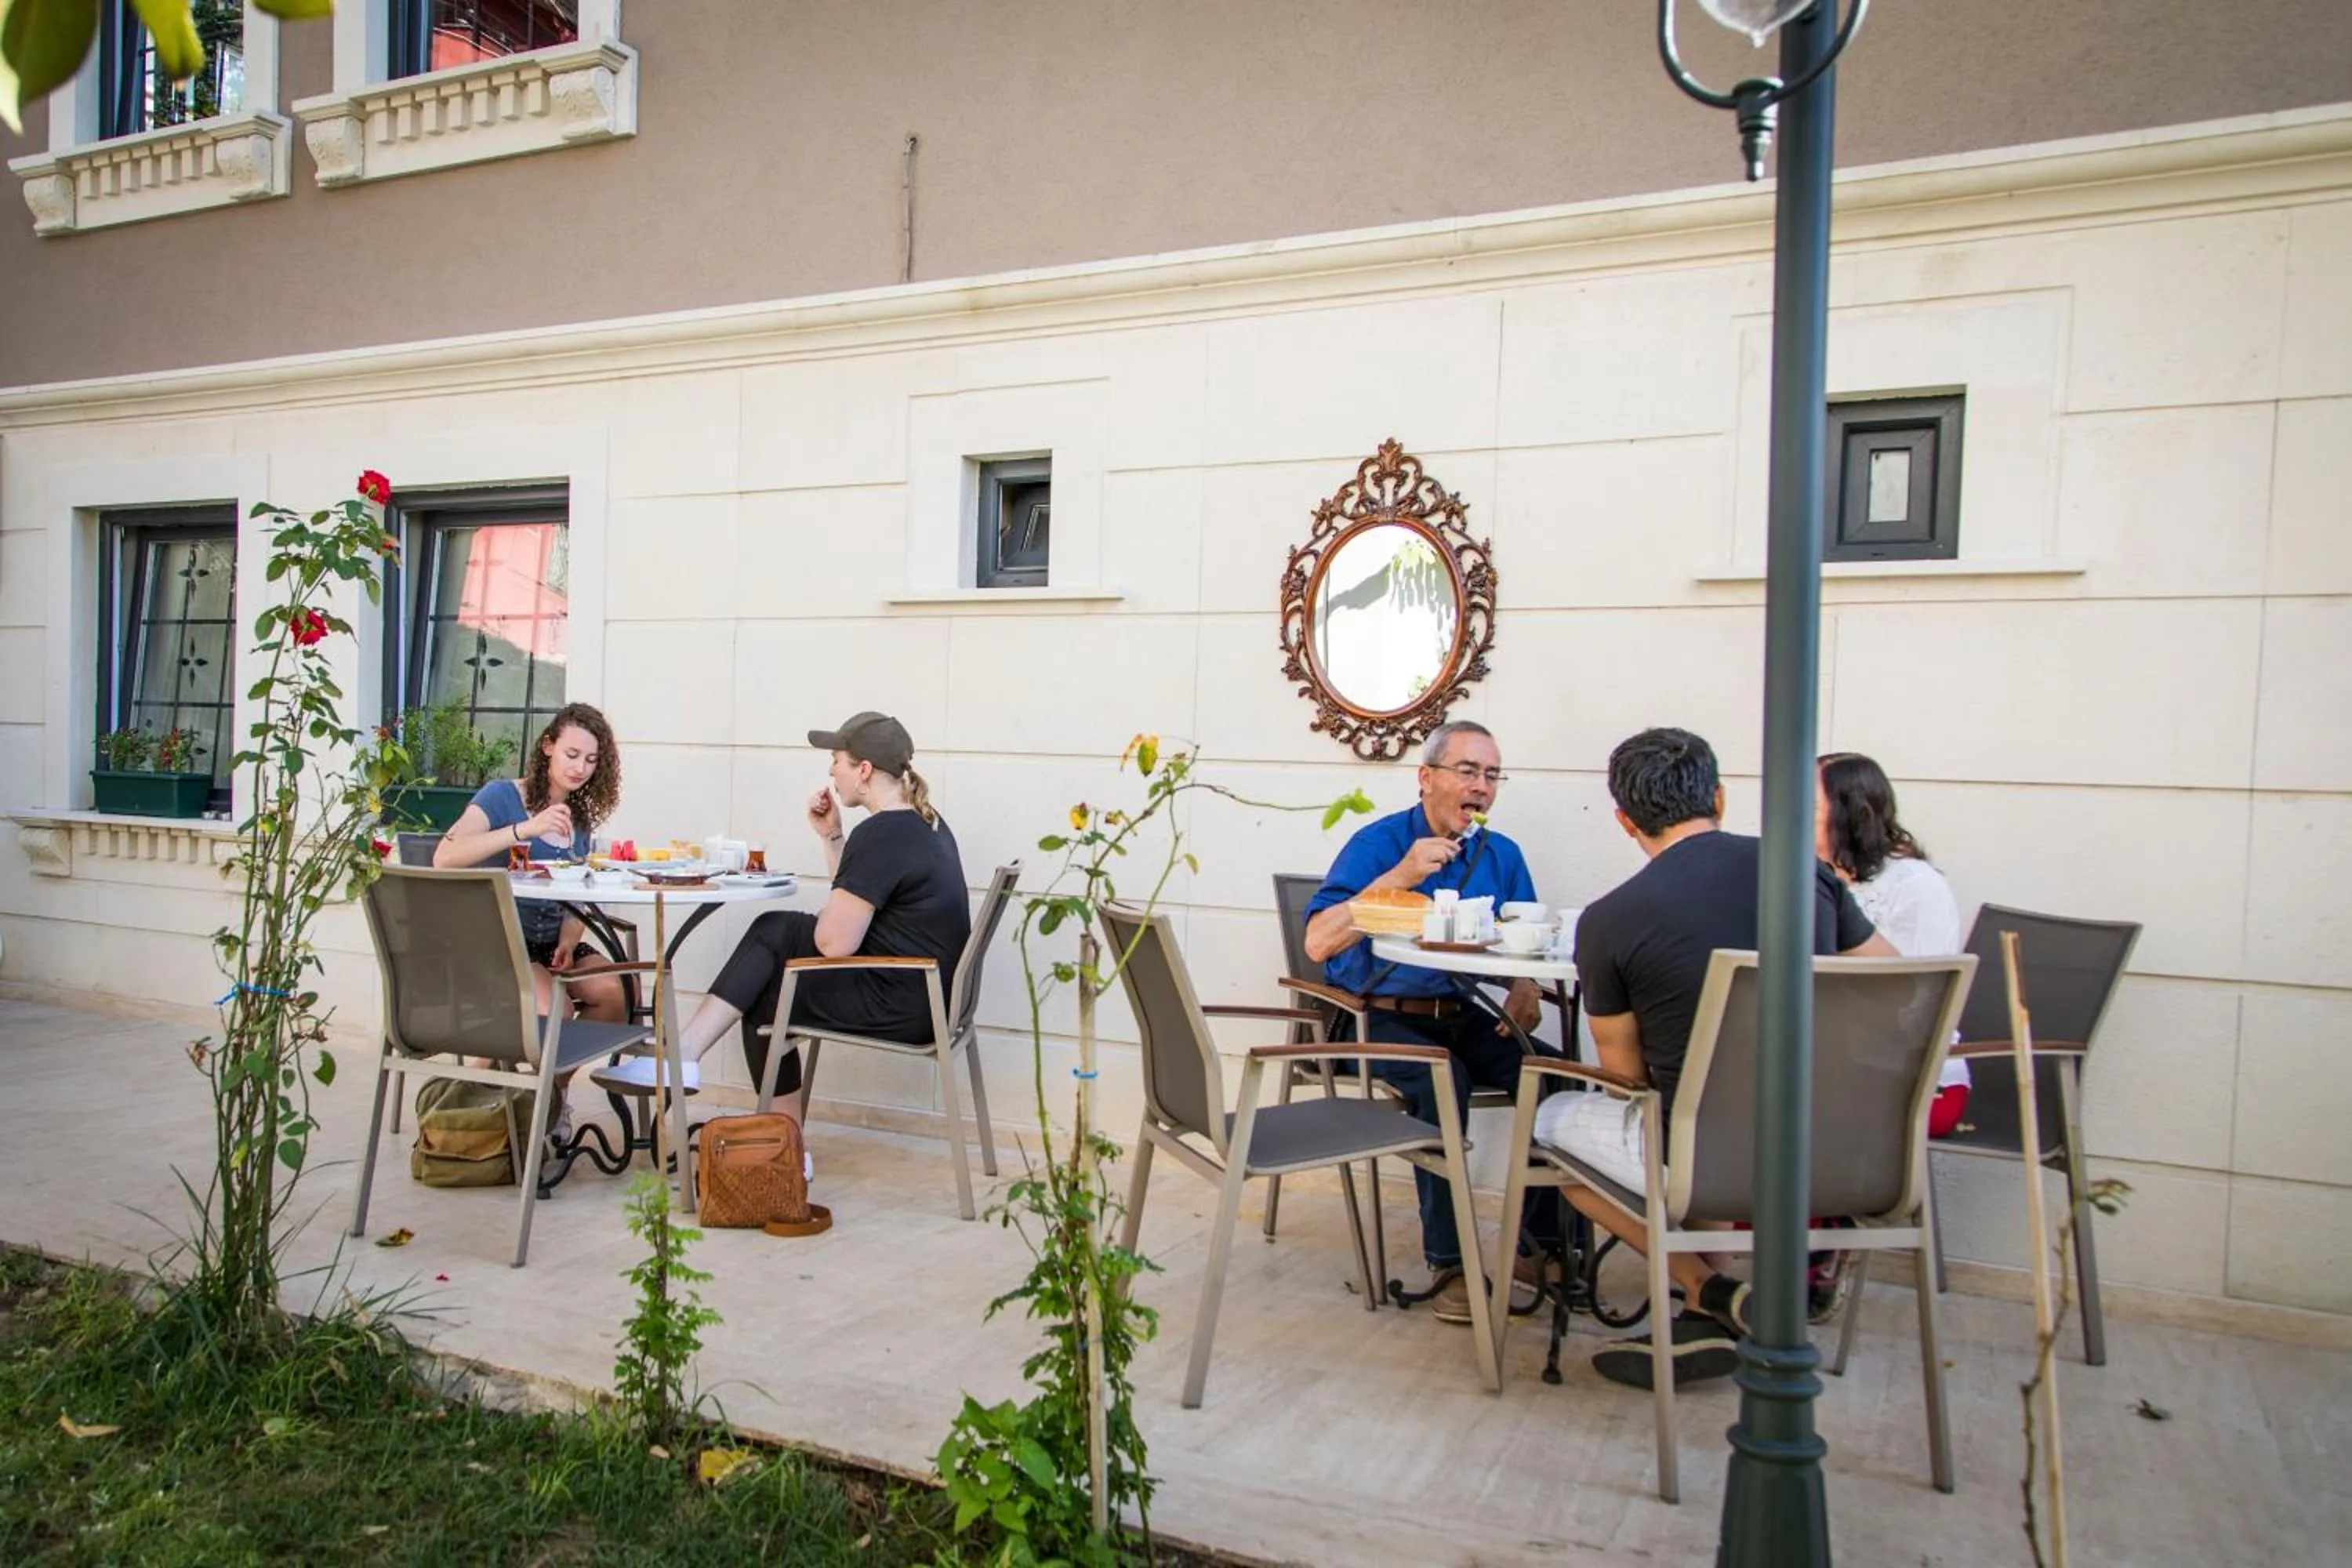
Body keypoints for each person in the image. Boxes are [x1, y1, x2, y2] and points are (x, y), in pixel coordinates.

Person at [1537, 727, 1893, 1389]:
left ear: (1623, 821)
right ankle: (1709, 1311)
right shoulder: (1804, 875)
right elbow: (1890, 985)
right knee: (1684, 1124)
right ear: (1720, 799)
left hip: (1705, 1158)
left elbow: (1624, 1080)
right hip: (1836, 1155)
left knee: (1556, 1138)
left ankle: (1709, 1289)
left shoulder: (1609, 920)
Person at [1303, 720, 1552, 1325]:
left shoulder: (1501, 855)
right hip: (1382, 1017)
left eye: (1492, 776)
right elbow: (1316, 943)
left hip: (1464, 1011)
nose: (1482, 787)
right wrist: (1401, 878)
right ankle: (1451, 1261)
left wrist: (1524, 985)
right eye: (1468, 771)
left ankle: (1539, 1248)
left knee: (1551, 1076)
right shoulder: (1379, 844)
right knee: (1445, 1085)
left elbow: (1523, 936)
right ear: (1427, 778)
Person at [675, 713, 971, 1106]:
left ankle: (780, 1146)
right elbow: (860, 897)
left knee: (768, 982)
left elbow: (834, 944)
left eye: (837, 760)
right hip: (927, 997)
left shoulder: (883, 833)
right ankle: (684, 1058)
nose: (831, 771)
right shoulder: (922, 821)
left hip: (904, 1004)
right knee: (777, 937)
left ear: (863, 769)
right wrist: (832, 835)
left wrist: (820, 926)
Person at [433, 701, 628, 1030]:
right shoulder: (501, 796)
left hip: (551, 944)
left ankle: (553, 1083)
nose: (580, 767)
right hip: (500, 941)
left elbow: (574, 896)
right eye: (572, 754)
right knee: (556, 1010)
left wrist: (568, 940)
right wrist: (524, 830)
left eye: (591, 760)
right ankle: (503, 1072)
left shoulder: (577, 821)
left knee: (619, 993)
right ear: (548, 746)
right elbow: (444, 857)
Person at [1816, 751, 1969, 1137]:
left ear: (1849, 811)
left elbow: (1918, 1002)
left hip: (1912, 1081)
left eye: (1806, 803)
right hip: (1825, 1066)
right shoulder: (1800, 880)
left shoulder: (1915, 887)